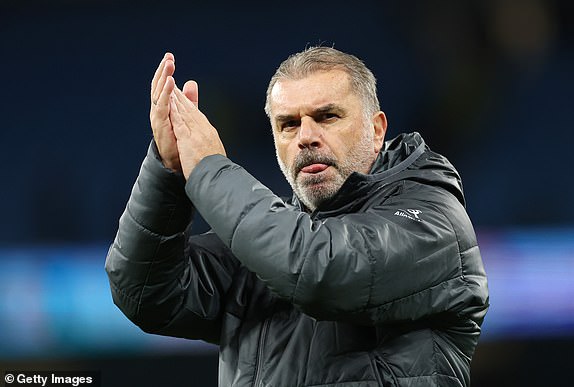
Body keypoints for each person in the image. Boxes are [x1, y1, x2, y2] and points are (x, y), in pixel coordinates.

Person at [105, 47, 489, 386]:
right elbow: (144, 293)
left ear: (376, 131)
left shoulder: (433, 220)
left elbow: (320, 270)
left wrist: (209, 168)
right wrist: (168, 170)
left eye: (327, 117)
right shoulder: (268, 236)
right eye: (288, 124)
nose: (305, 136)